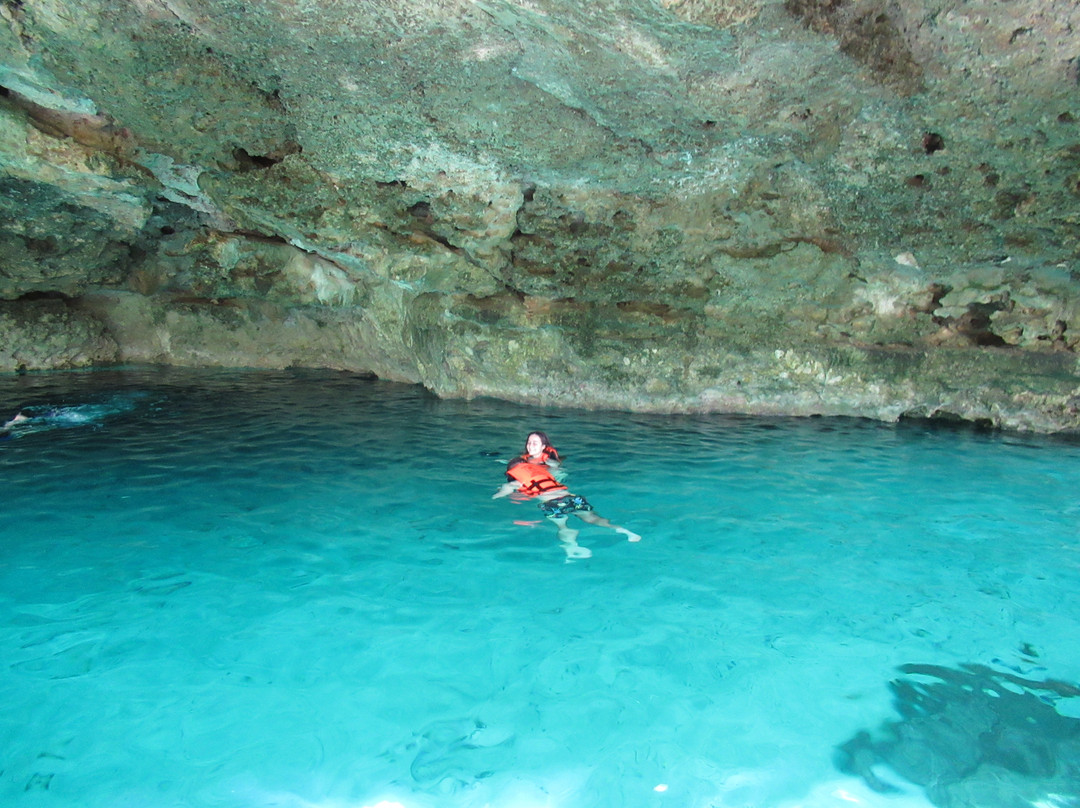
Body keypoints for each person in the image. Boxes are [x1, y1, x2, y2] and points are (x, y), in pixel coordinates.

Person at [493, 457, 640, 559]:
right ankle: (624, 531)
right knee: (593, 518)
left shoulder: (517, 480)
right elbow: (559, 471)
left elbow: (503, 493)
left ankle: (572, 547)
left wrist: (497, 494)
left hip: (552, 502)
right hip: (571, 497)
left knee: (563, 526)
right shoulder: (545, 473)